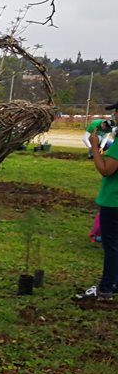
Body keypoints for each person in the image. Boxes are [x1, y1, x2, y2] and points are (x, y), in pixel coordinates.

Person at [77, 128, 118, 302]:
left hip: (113, 201)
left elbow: (106, 169)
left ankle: (105, 288)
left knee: (112, 246)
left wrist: (94, 146)